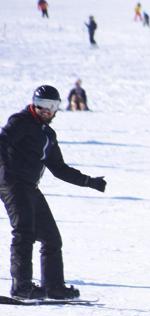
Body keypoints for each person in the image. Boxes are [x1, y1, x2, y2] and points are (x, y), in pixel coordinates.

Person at [0, 85, 107, 299]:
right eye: (41, 105)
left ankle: (54, 288)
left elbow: (59, 168)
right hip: (12, 183)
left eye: (52, 106)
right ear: (34, 104)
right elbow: (2, 141)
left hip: (30, 186)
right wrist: (5, 167)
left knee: (51, 238)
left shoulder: (47, 134)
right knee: (24, 232)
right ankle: (22, 287)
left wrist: (88, 181)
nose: (46, 110)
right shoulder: (21, 121)